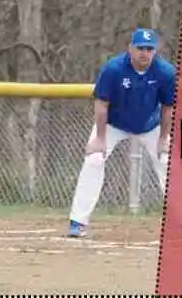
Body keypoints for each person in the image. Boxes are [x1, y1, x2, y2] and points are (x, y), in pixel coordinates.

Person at [67, 28, 174, 238]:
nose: (145, 53)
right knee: (94, 159)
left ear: (155, 51)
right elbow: (101, 103)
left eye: (149, 49)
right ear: (130, 49)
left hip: (150, 126)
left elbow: (167, 107)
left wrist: (163, 139)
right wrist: (99, 138)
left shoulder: (165, 72)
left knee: (167, 160)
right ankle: (78, 221)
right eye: (140, 48)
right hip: (113, 124)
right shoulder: (114, 69)